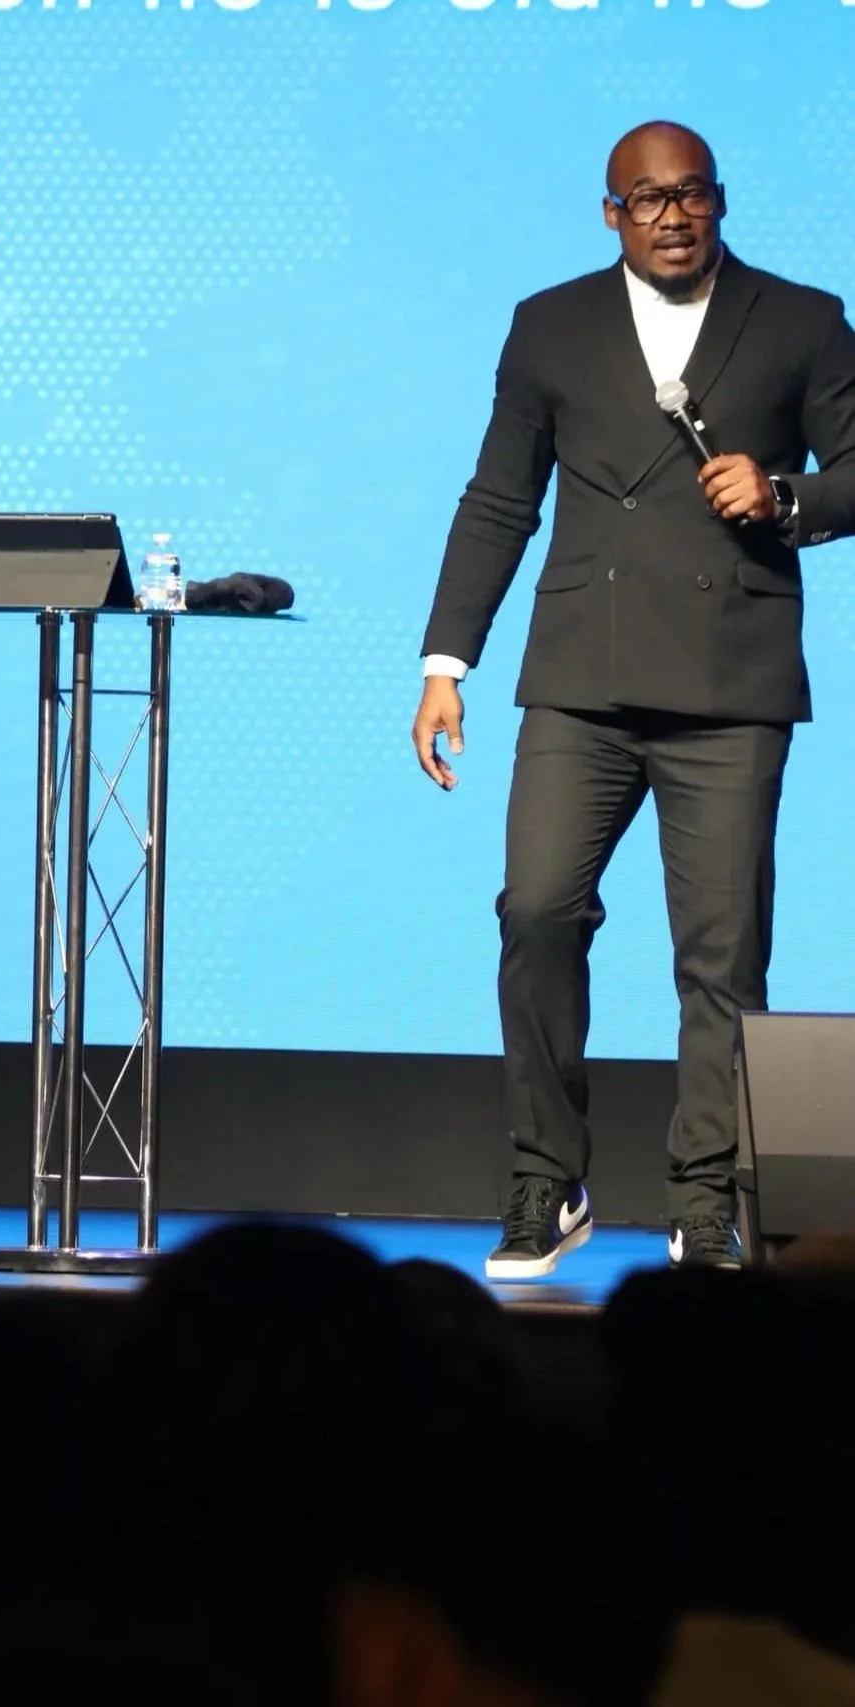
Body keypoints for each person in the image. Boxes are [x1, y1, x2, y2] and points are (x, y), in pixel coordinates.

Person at [412, 120, 855, 1279]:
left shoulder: (800, 319)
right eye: (646, 198)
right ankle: (541, 1182)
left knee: (720, 958)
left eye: (691, 194)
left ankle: (706, 1197)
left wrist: (787, 493)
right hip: (581, 681)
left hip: (729, 681)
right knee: (538, 915)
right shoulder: (549, 323)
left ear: (719, 202)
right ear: (610, 213)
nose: (671, 215)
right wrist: (443, 665)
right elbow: (498, 498)